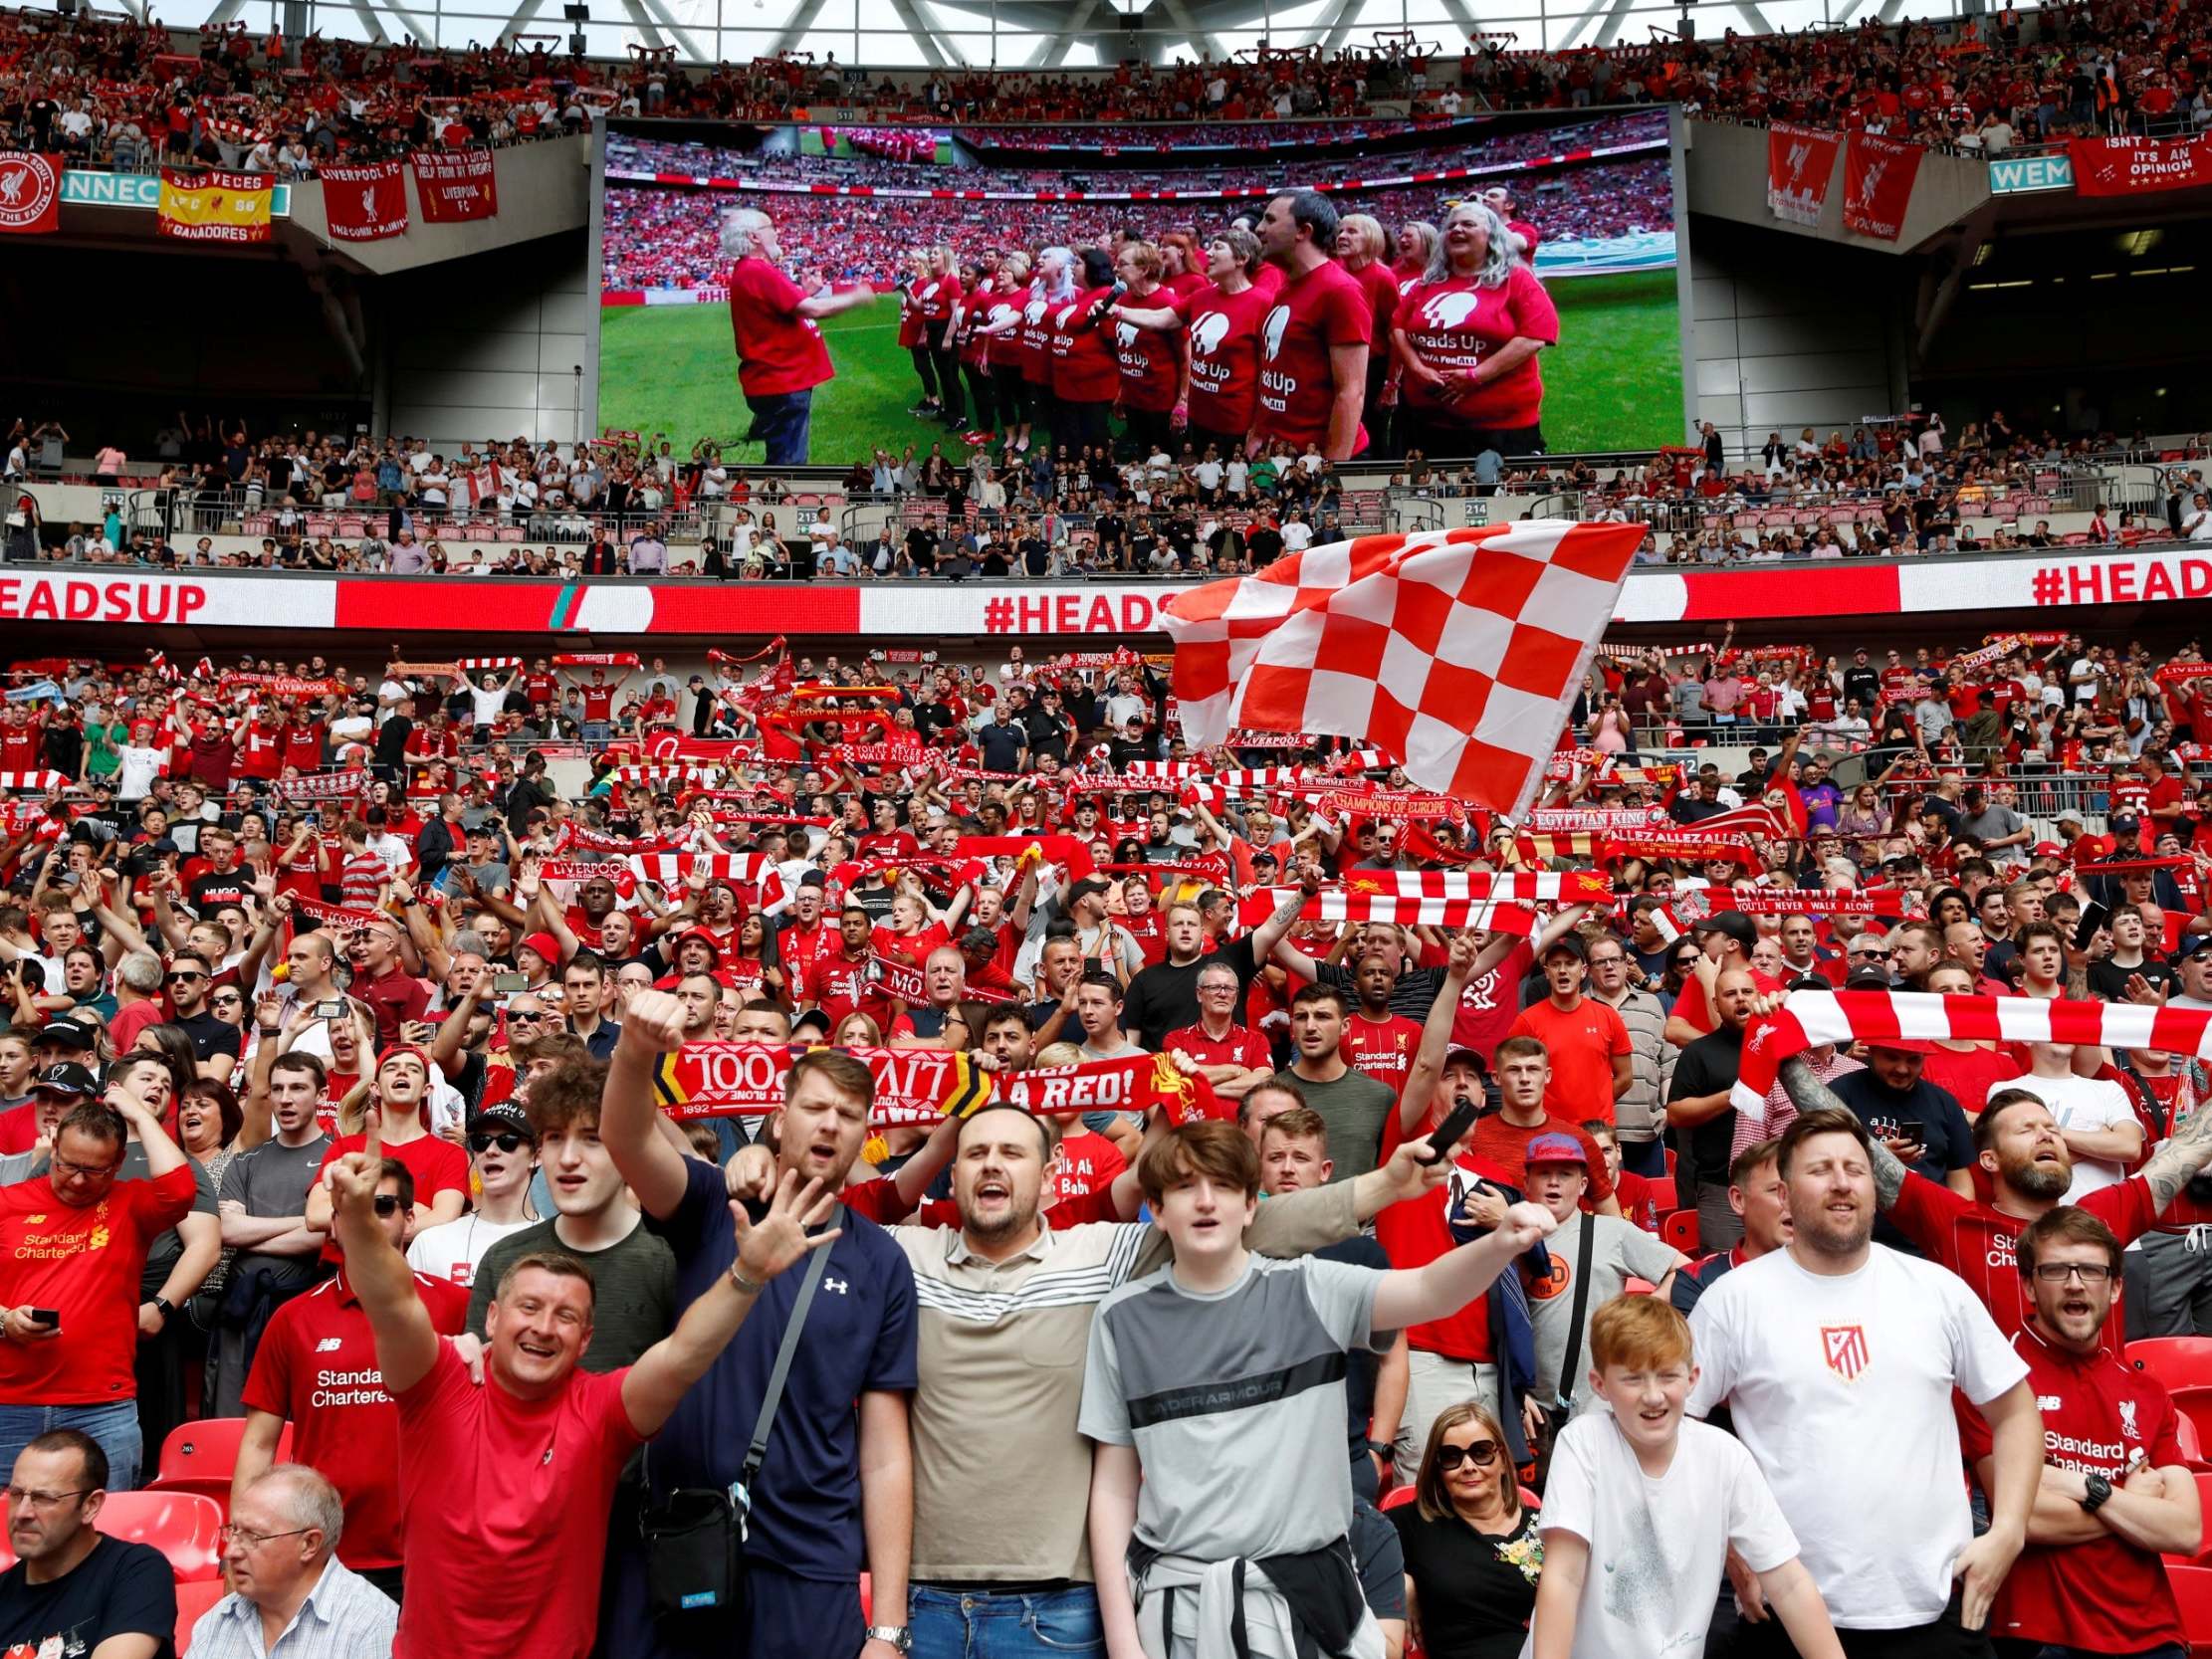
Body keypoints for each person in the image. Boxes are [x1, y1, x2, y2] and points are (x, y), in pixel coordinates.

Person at [329, 1075, 842, 1659]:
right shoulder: (440, 1386)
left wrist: (746, 1276)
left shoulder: (597, 1411)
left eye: (565, 1317)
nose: (544, 1327)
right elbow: (394, 1304)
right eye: (528, 1307)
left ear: (587, 1339)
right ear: (491, 1316)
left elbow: (681, 1357)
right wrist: (362, 1225)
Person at [1081, 1118, 1558, 1659]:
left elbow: (1428, 1290)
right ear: (1159, 1211)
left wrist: (1501, 1243)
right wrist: (1124, 1644)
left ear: (1252, 1205)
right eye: (1186, 1186)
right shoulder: (1120, 1319)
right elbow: (1115, 1489)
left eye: (1224, 1185)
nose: (1206, 1201)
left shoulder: (1312, 1287)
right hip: (1181, 1611)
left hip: (1309, 1609)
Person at [594, 991, 918, 1659]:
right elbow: (625, 1138)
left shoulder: (881, 1259)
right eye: (815, 1107)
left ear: (866, 1134)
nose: (830, 1124)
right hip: (681, 1545)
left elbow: (885, 1453)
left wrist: (887, 1628)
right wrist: (634, 1050)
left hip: (809, 1565)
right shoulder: (716, 1206)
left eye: (849, 1114)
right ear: (778, 1117)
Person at [1685, 1105, 2044, 1654]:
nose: (1841, 1184)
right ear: (1783, 1193)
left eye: (1855, 1169)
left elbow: (2016, 1411)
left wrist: (2009, 1530)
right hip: (1788, 1610)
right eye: (1820, 1169)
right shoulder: (1734, 1300)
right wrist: (1733, 1546)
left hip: (1938, 1604)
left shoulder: (1935, 1289)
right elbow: (1679, 1432)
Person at [1527, 1298, 1846, 1659]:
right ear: (1600, 1385)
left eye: (1667, 1375)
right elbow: (1564, 1575)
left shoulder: (1724, 1456)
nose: (1652, 1395)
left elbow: (1789, 1583)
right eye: (1632, 1378)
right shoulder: (1584, 1443)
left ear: (1692, 1378)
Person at [1961, 1205, 2201, 1656]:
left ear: (2115, 1289)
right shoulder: (1996, 1382)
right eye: (2056, 1270)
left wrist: (2081, 1486)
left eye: (2092, 1270)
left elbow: (2185, 1530)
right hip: (2042, 1635)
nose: (2075, 1283)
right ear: (2028, 1286)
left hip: (2155, 1636)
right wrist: (2132, 1502)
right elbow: (2026, 1518)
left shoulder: (2147, 1392)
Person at [236, 1156, 470, 1602]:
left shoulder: (456, 1305)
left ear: (410, 1219)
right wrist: (242, 1541)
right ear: (334, 1225)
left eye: (381, 1206)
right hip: (319, 1555)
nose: (366, 1218)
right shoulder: (292, 1319)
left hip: (433, 1553)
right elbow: (258, 1443)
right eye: (350, 1208)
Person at [0, 1089, 195, 1490]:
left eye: (94, 1171)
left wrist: (140, 1115)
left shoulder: (131, 1204)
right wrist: (4, 1320)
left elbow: (180, 1189)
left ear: (119, 1163)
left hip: (102, 1406)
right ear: (53, 1147)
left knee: (107, 1527)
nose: (76, 1180)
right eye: (66, 1164)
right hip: (9, 1401)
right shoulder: (8, 1202)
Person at [1518, 1134, 1684, 1419]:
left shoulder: (1612, 1232)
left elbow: (1684, 1270)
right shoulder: (1511, 1239)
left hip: (1602, 1405)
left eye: (1565, 1174)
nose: (1554, 1181)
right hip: (1533, 1408)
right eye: (1544, 1173)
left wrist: (1645, 1309)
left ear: (1583, 1185)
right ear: (1527, 1184)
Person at [1393, 198, 1559, 459]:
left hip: (1502, 429)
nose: (1457, 230)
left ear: (1492, 235)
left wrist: (1475, 376)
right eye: (1451, 226)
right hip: (1428, 423)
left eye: (1468, 224)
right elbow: (1398, 328)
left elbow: (1534, 336)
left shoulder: (1517, 279)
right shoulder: (1428, 282)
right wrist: (1417, 370)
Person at [720, 205, 876, 466]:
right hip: (783, 381)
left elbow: (780, 312)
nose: (776, 233)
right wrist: (856, 297)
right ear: (754, 237)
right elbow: (812, 310)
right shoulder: (757, 270)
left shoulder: (748, 270)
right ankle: (780, 505)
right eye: (769, 227)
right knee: (790, 466)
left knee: (783, 457)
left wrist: (804, 291)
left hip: (778, 380)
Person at [191, 1464, 399, 1658]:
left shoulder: (372, 1626)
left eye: (253, 1536)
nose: (230, 1552)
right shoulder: (217, 1622)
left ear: (309, 1544)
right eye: (234, 1531)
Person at [0, 1430, 175, 1659]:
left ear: (91, 1505)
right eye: (16, 1494)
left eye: (44, 1498)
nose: (22, 1512)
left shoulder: (136, 1572)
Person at [1388, 1402, 1541, 1659]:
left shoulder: (1543, 1525)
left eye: (1481, 1452)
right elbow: (1346, 1545)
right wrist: (1399, 1579)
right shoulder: (1413, 1524)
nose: (1468, 1466)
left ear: (1503, 1459)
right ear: (1437, 1469)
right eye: (1451, 1456)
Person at [1251, 190, 1372, 461]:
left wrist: (1331, 472)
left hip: (1316, 458)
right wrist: (1259, 432)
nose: (1259, 229)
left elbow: (1351, 393)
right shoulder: (1287, 286)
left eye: (1269, 220)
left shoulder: (1340, 291)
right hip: (1281, 452)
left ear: (1303, 231)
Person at [405, 1100, 540, 1289]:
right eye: (481, 1142)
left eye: (507, 1141)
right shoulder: (431, 1243)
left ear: (537, 1156)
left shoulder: (556, 1244)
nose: (491, 1151)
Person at [1669, 1139, 1790, 1316]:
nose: (1794, 1202)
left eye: (1801, 1190)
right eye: (1777, 1191)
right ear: (1738, 1200)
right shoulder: (1699, 1282)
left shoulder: (1834, 1272)